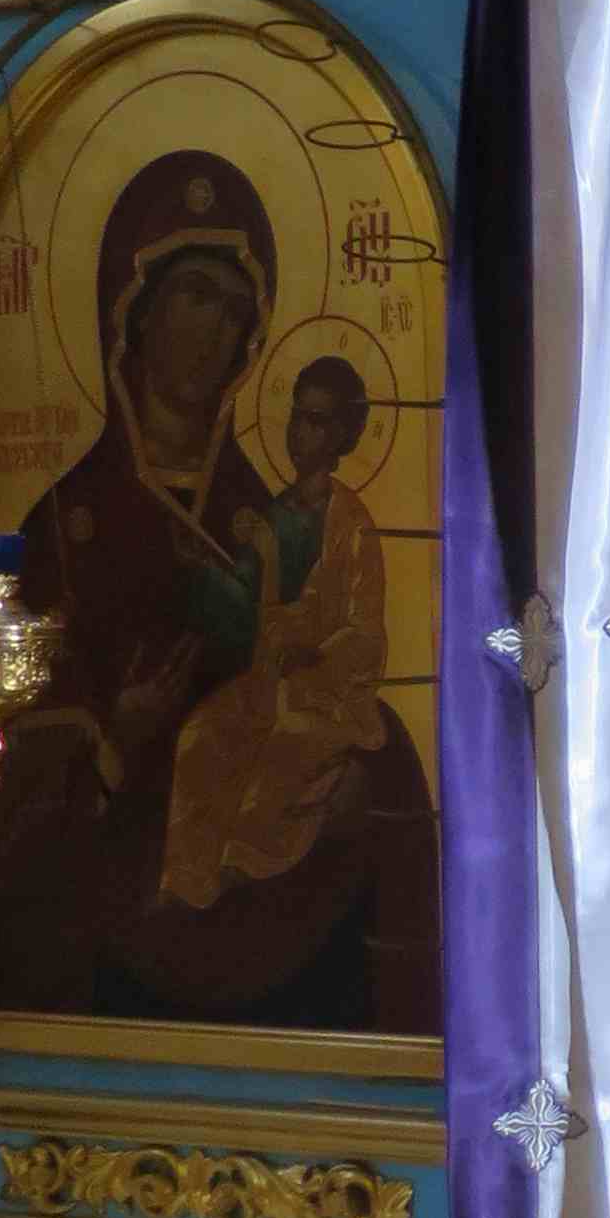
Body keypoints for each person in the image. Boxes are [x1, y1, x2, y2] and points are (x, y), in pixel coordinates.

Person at [0, 150, 437, 1035]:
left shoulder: (260, 511)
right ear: (135, 310)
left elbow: (320, 640)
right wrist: (114, 736)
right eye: (195, 296)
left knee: (388, 768)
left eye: (235, 312)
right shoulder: (67, 523)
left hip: (260, 806)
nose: (215, 330)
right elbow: (10, 767)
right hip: (116, 865)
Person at [160, 354, 393, 916]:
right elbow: (246, 604)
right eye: (296, 415)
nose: (299, 432)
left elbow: (365, 630)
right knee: (199, 733)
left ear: (343, 435)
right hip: (267, 679)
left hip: (326, 692)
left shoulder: (352, 524)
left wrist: (311, 651)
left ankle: (240, 869)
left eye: (317, 421)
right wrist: (202, 571)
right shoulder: (275, 512)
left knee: (283, 737)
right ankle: (186, 882)